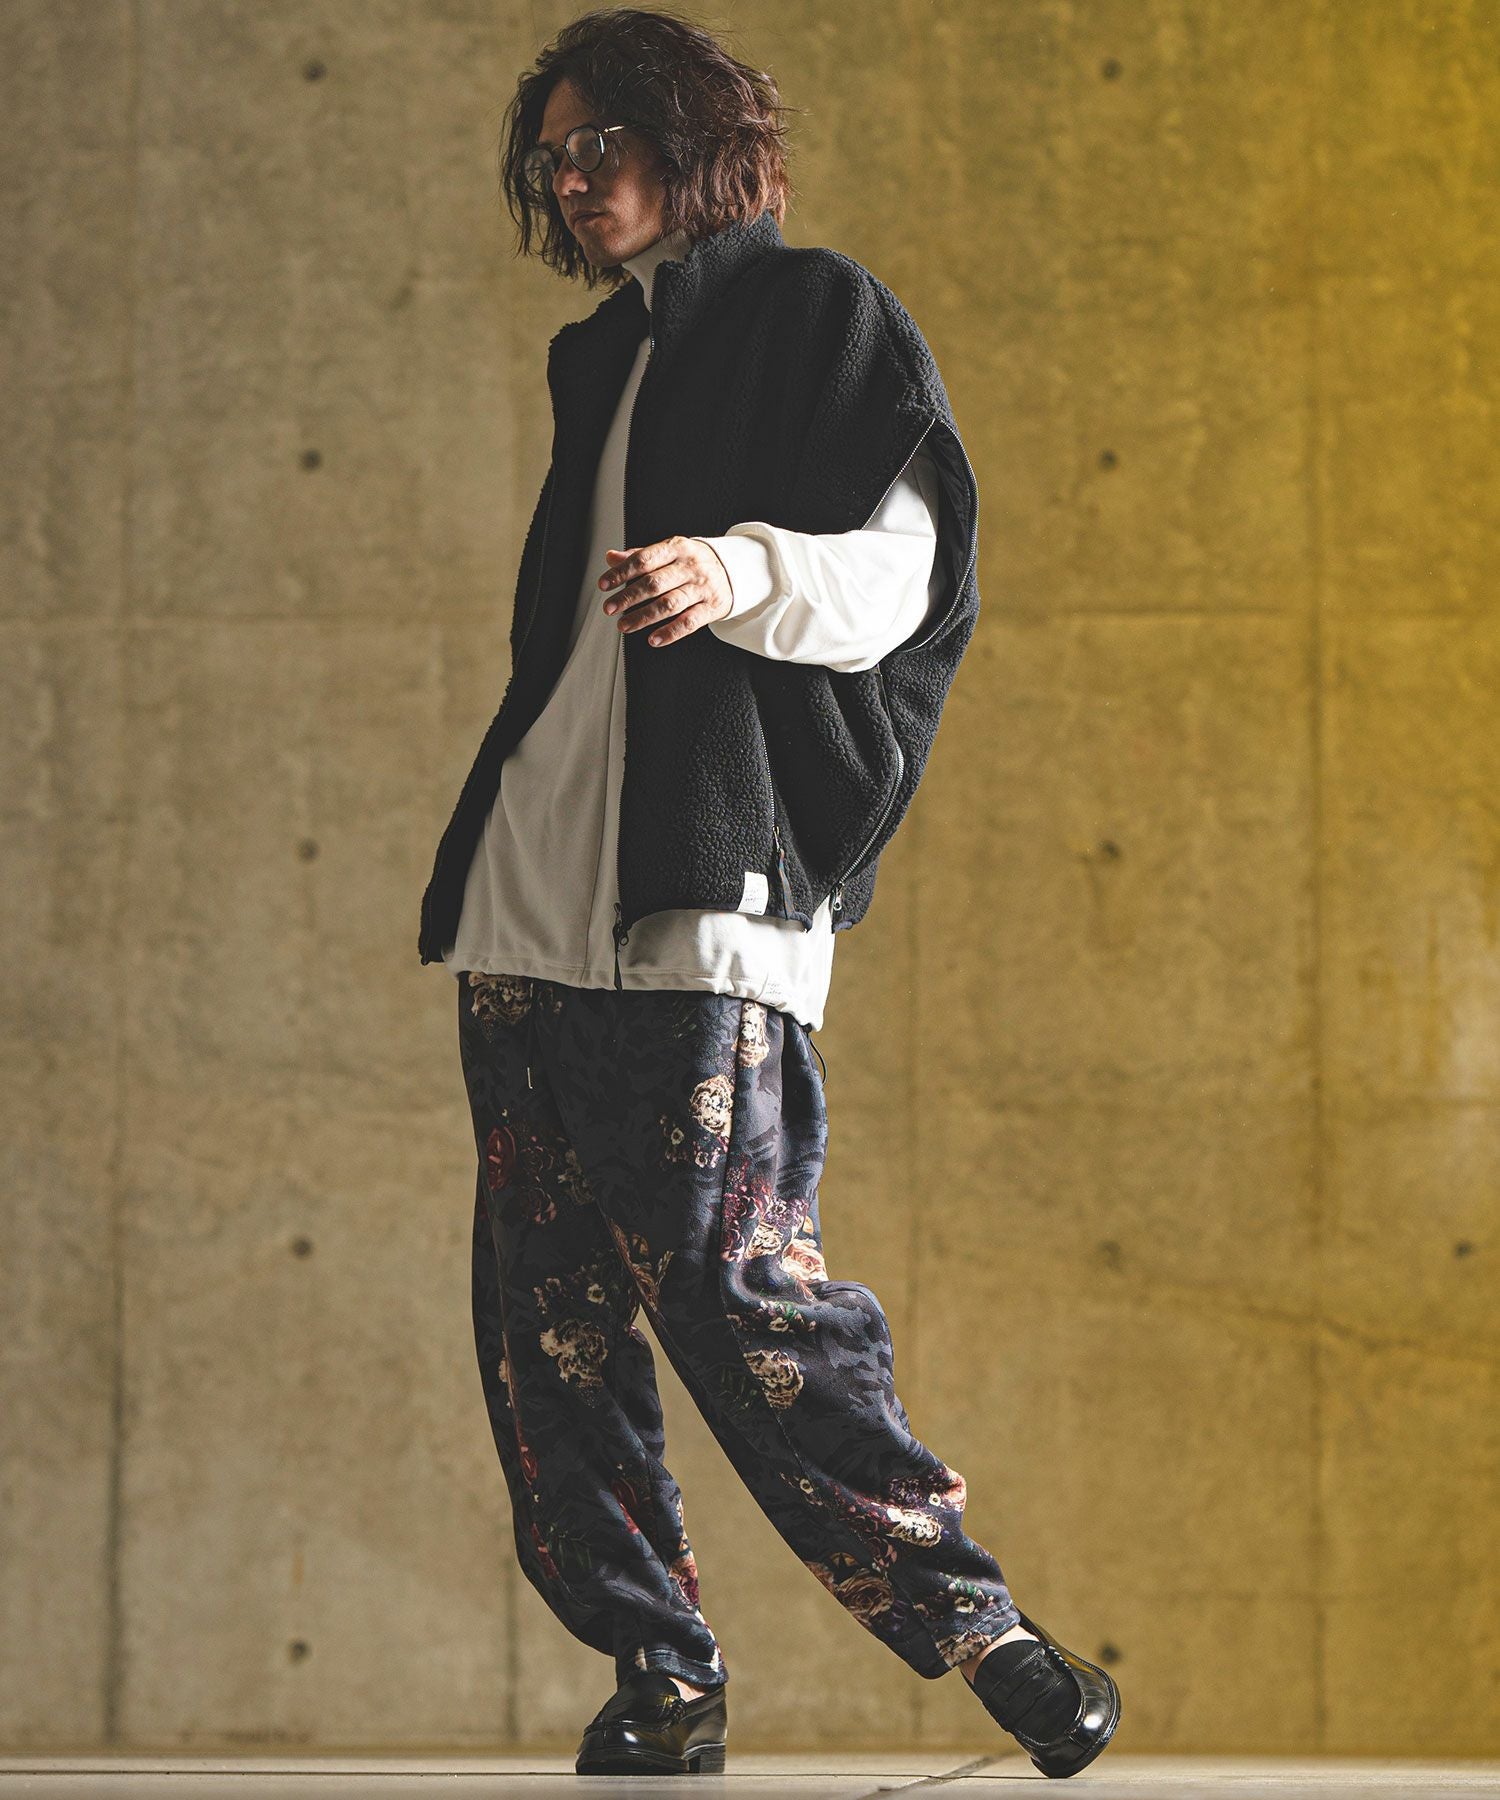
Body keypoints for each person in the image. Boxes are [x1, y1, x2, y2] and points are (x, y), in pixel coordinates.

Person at [416, 8, 1121, 1781]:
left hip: (700, 906)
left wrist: (731, 568)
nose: (572, 182)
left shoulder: (823, 315)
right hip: (527, 912)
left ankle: (981, 1629)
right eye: (552, 159)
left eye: (599, 143)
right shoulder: (603, 356)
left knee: (740, 1291)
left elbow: (906, 582)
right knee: (548, 1322)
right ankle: (662, 1672)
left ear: (694, 137)